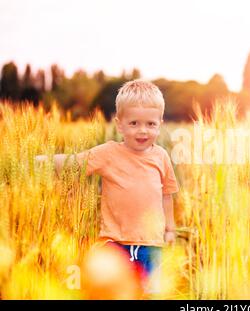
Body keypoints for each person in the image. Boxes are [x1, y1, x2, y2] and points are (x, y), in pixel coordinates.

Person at [35, 79, 179, 297]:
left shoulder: (161, 156)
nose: (143, 131)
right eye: (134, 123)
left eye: (150, 124)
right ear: (119, 124)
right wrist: (43, 160)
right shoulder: (108, 153)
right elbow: (75, 162)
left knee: (151, 293)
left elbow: (166, 194)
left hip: (152, 245)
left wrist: (170, 229)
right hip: (115, 243)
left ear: (160, 123)